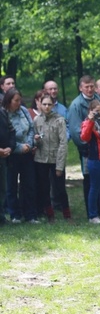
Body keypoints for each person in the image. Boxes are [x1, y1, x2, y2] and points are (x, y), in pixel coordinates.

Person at [68, 75, 100, 217]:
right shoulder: (76, 105)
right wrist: (87, 144)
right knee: (90, 180)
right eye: (87, 87)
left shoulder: (99, 100)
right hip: (88, 150)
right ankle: (92, 213)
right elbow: (75, 130)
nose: (90, 89)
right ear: (81, 88)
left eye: (92, 86)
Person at [3, 88, 39, 224]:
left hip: (27, 152)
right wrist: (19, 147)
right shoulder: (4, 114)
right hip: (12, 154)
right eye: (16, 101)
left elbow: (31, 128)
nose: (19, 103)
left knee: (29, 183)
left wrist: (29, 144)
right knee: (11, 185)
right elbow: (5, 136)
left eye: (20, 100)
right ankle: (15, 214)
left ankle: (30, 214)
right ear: (9, 100)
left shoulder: (23, 111)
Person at [33, 94, 69, 223]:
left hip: (55, 159)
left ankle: (67, 214)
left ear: (53, 105)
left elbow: (63, 143)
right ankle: (50, 215)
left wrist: (60, 165)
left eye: (49, 104)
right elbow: (34, 141)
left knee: (60, 188)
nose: (47, 107)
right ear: (40, 105)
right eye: (44, 104)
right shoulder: (37, 120)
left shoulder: (59, 120)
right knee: (44, 187)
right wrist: (35, 140)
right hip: (41, 159)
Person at [0, 103, 16, 225]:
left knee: (2, 188)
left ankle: (1, 217)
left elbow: (12, 131)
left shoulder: (3, 113)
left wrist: (10, 147)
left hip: (4, 156)